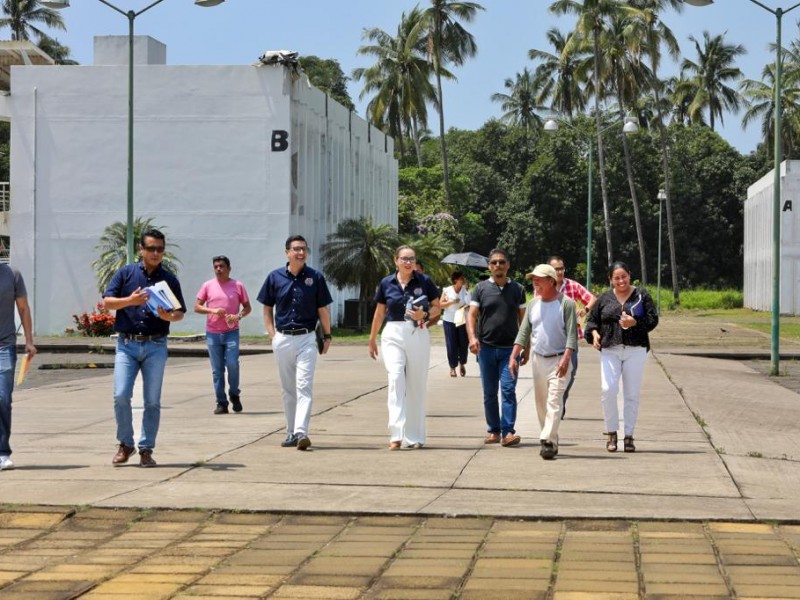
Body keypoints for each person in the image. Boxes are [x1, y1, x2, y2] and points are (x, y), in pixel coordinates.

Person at [103, 228, 186, 468]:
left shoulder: (169, 279)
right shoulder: (126, 273)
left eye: (160, 249)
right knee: (120, 395)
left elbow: (180, 312)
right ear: (141, 249)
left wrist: (168, 316)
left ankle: (146, 448)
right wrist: (130, 301)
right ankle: (125, 443)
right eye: (151, 248)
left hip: (156, 345)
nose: (156, 253)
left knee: (152, 401)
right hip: (127, 344)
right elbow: (107, 302)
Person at [258, 235, 332, 451]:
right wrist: (272, 335)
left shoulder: (315, 277)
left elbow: (322, 310)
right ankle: (290, 432)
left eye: (304, 249)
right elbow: (266, 308)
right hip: (282, 339)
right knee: (288, 389)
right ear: (287, 252)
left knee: (303, 386)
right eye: (296, 249)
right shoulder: (275, 277)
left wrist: (327, 336)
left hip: (307, 338)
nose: (301, 252)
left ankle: (302, 432)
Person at [369, 245, 441, 450]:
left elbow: (437, 306)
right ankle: (396, 434)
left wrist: (425, 314)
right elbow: (380, 312)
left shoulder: (424, 281)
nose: (408, 262)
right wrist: (372, 338)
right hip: (392, 332)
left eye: (411, 259)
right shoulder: (386, 282)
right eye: (404, 259)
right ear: (396, 260)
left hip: (417, 332)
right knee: (395, 378)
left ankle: (414, 435)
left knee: (416, 384)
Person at [584, 261, 658, 453]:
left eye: (623, 276)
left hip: (635, 349)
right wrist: (594, 334)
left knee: (631, 394)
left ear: (629, 275)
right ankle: (611, 433)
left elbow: (652, 319)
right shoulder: (604, 298)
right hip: (610, 348)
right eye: (616, 278)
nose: (621, 281)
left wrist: (635, 322)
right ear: (610, 280)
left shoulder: (642, 295)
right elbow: (592, 321)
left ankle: (629, 436)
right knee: (608, 390)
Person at [510, 264, 577, 460]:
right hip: (539, 360)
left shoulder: (566, 303)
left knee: (554, 402)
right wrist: (513, 355)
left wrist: (566, 359)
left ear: (551, 281)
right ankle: (552, 441)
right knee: (541, 405)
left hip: (559, 360)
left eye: (539, 279)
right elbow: (524, 332)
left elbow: (572, 336)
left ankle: (546, 439)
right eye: (533, 279)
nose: (535, 282)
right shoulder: (533, 304)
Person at [466, 249, 527, 447]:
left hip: (510, 350)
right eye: (494, 262)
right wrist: (472, 338)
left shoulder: (518, 289)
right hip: (486, 349)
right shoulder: (480, 288)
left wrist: (525, 346)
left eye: (501, 262)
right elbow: (471, 315)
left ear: (508, 264)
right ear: (489, 266)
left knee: (508, 390)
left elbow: (524, 320)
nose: (498, 265)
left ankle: (508, 432)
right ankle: (494, 430)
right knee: (490, 392)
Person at [194, 255, 252, 415]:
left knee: (232, 364)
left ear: (229, 268)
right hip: (213, 333)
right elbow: (197, 307)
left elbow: (247, 308)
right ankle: (221, 402)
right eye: (216, 267)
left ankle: (234, 394)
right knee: (217, 370)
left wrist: (238, 316)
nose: (219, 269)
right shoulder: (207, 286)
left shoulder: (238, 285)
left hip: (231, 332)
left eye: (222, 266)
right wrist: (212, 310)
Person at [547, 255, 596, 418]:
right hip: (551, 336)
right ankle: (553, 403)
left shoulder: (572, 286)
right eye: (555, 269)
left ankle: (560, 401)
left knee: (571, 371)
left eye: (561, 268)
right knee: (550, 373)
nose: (559, 272)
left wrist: (585, 310)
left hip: (570, 336)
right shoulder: (544, 285)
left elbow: (592, 299)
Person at [0, 265, 37, 471]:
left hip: (4, 346)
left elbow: (23, 308)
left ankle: (2, 452)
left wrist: (29, 341)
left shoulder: (12, 275)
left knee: (3, 398)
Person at [439, 271, 470, 377]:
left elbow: (469, 305)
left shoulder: (465, 290)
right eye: (461, 278)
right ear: (455, 280)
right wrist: (452, 302)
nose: (463, 280)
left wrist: (465, 306)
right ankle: (452, 368)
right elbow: (440, 304)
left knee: (463, 343)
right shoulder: (447, 290)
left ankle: (462, 363)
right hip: (449, 320)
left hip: (461, 319)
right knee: (451, 344)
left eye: (464, 278)